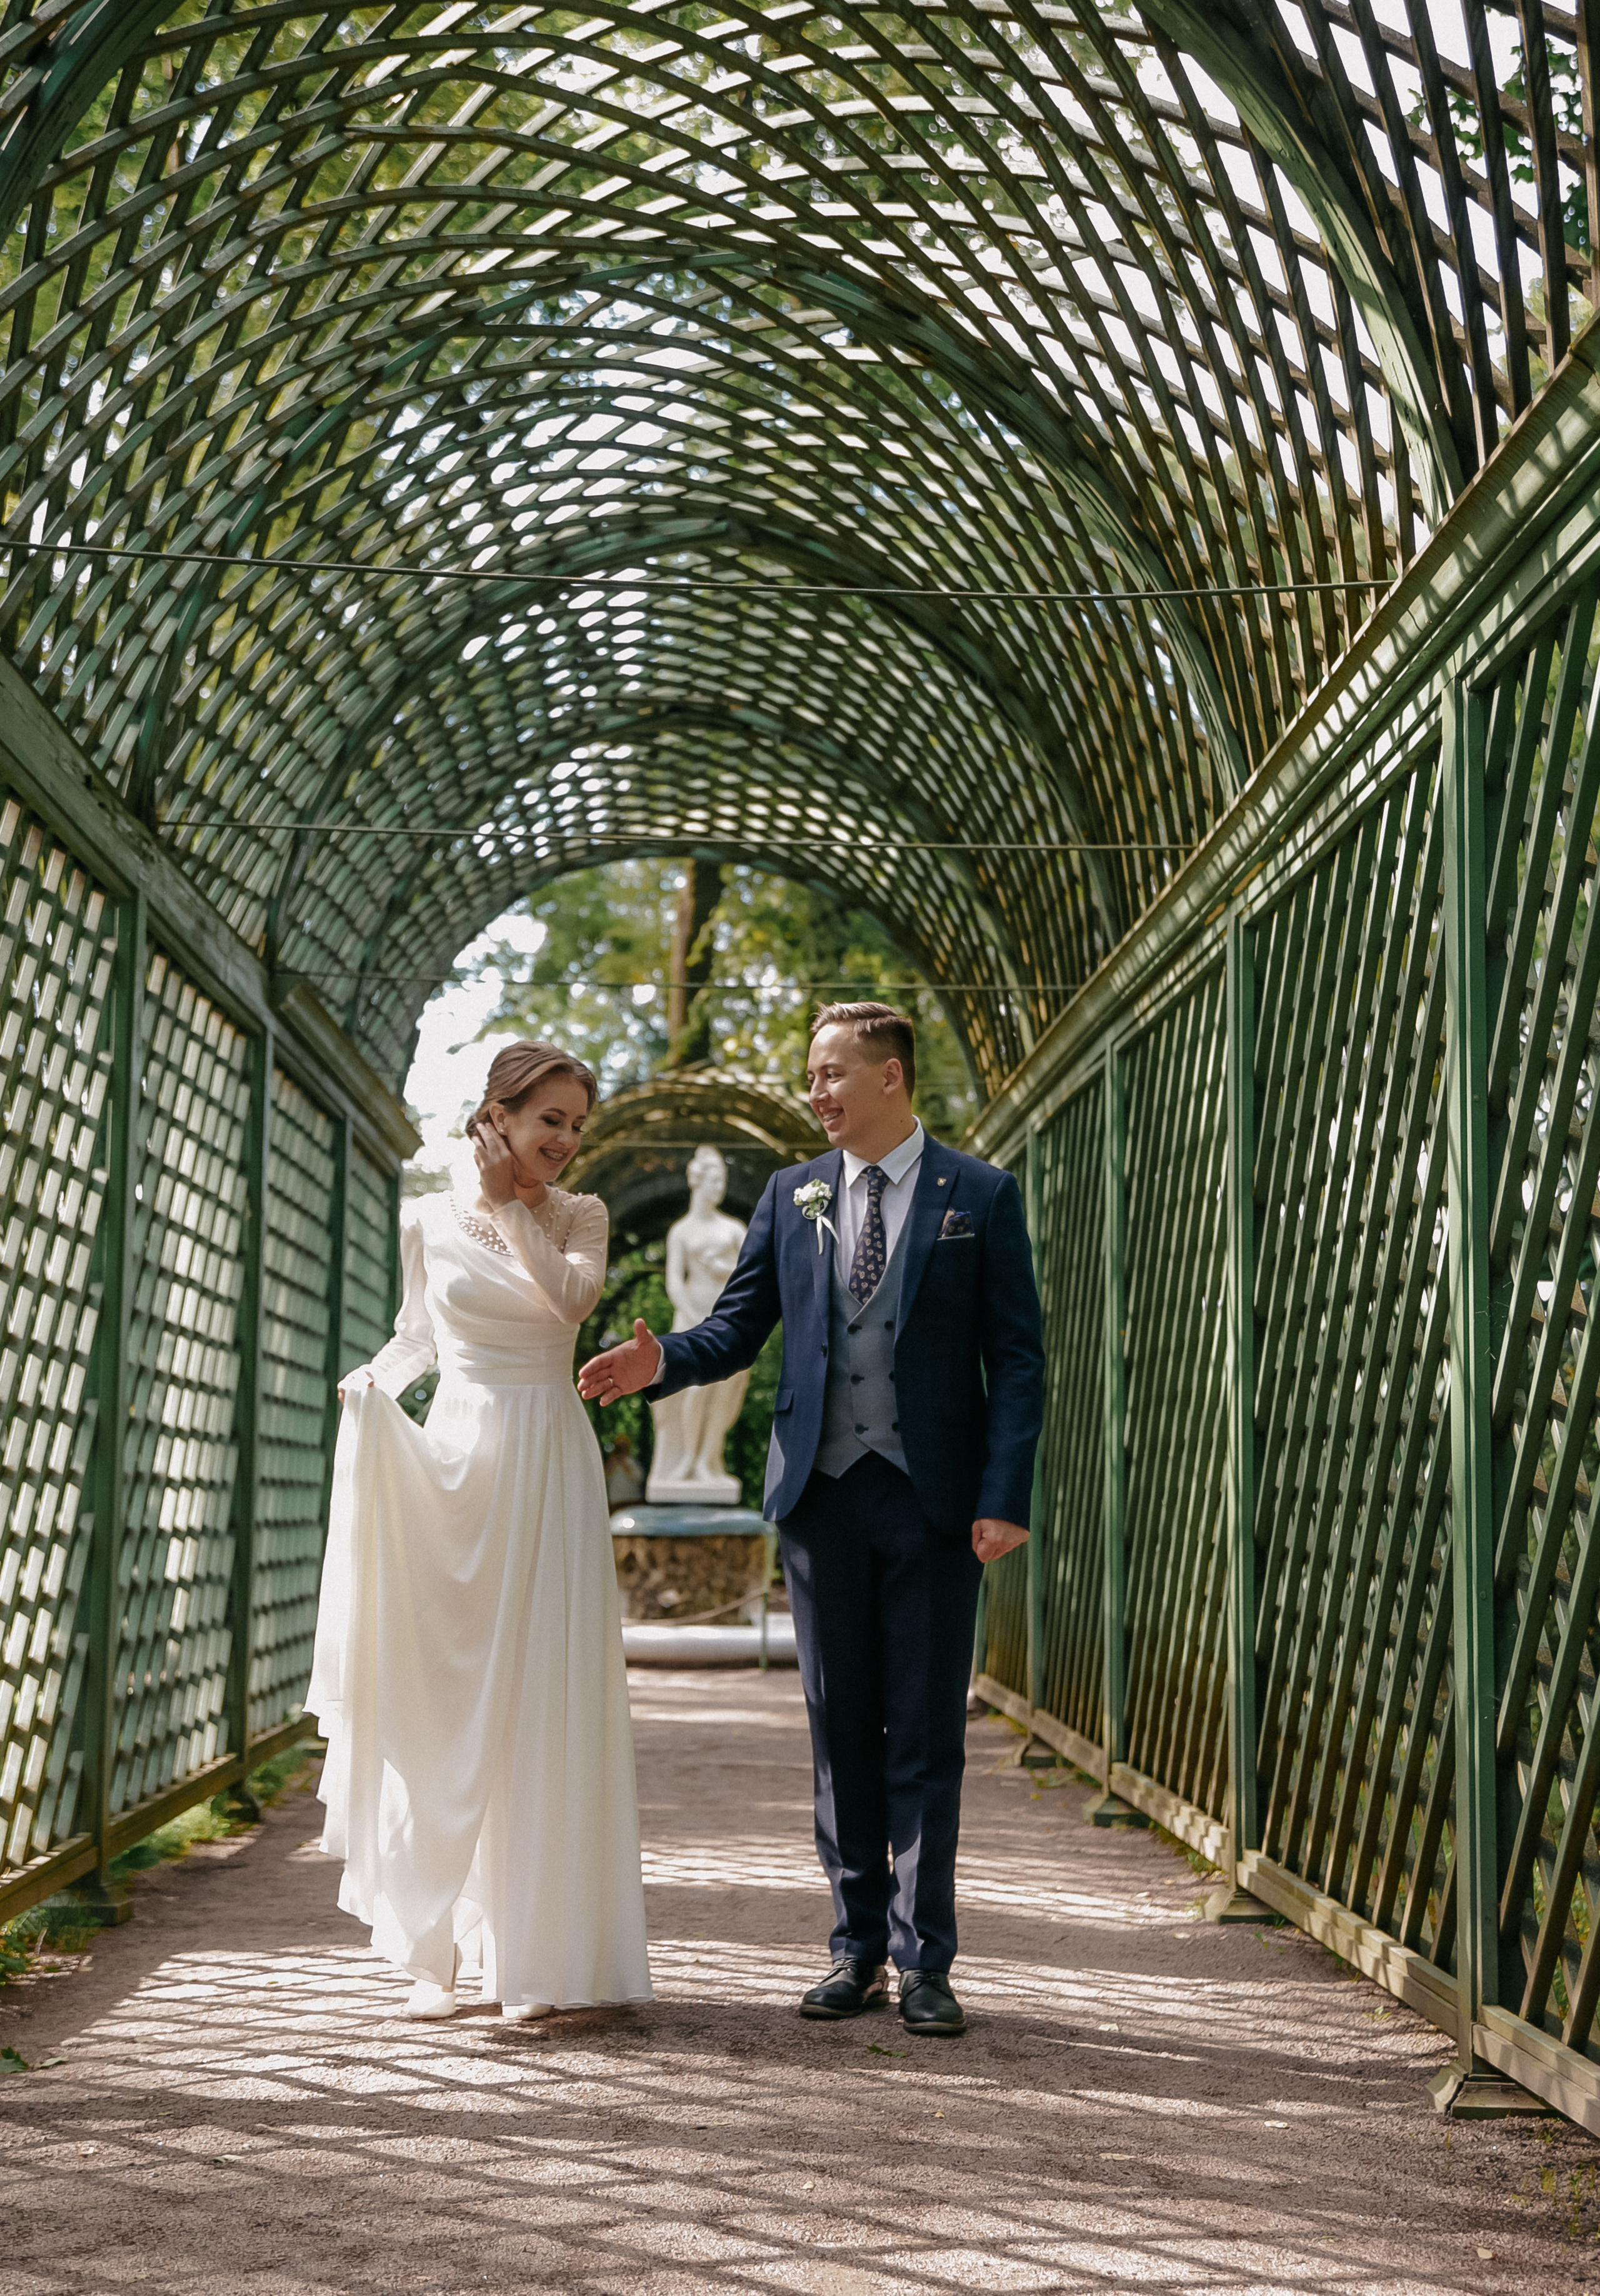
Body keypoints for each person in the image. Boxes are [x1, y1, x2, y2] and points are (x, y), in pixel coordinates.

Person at [579, 1002, 1043, 2037]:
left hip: (933, 1503)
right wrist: (662, 1363)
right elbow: (740, 1325)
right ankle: (855, 1951)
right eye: (810, 1075)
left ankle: (929, 1964)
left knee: (926, 1735)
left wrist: (1002, 1495)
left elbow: (1015, 1359)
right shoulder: (793, 1196)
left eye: (833, 1073)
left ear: (890, 1076)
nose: (817, 1092)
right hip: (820, 1497)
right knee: (841, 1734)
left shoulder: (980, 1194)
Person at [307, 1041, 652, 2023]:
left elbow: (571, 1302)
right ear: (496, 1113)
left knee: (546, 1698)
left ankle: (537, 1953)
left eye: (579, 1124)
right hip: (458, 1459)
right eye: (551, 1119)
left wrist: (511, 1204)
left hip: (551, 1461)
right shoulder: (425, 1216)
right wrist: (375, 1380)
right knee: (445, 1694)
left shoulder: (578, 1215)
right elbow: (419, 1332)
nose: (568, 1140)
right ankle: (433, 1945)